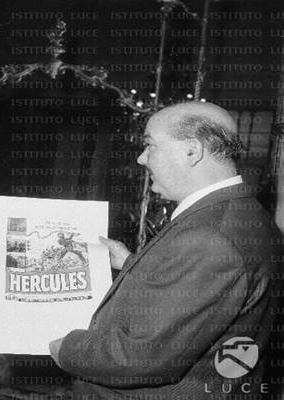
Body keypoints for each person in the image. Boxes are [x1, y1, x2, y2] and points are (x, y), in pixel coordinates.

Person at [49, 102, 282, 398]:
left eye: (150, 145)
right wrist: (131, 263)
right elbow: (200, 290)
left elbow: (140, 358)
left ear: (192, 151)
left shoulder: (209, 237)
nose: (141, 158)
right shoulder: (240, 214)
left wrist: (65, 348)